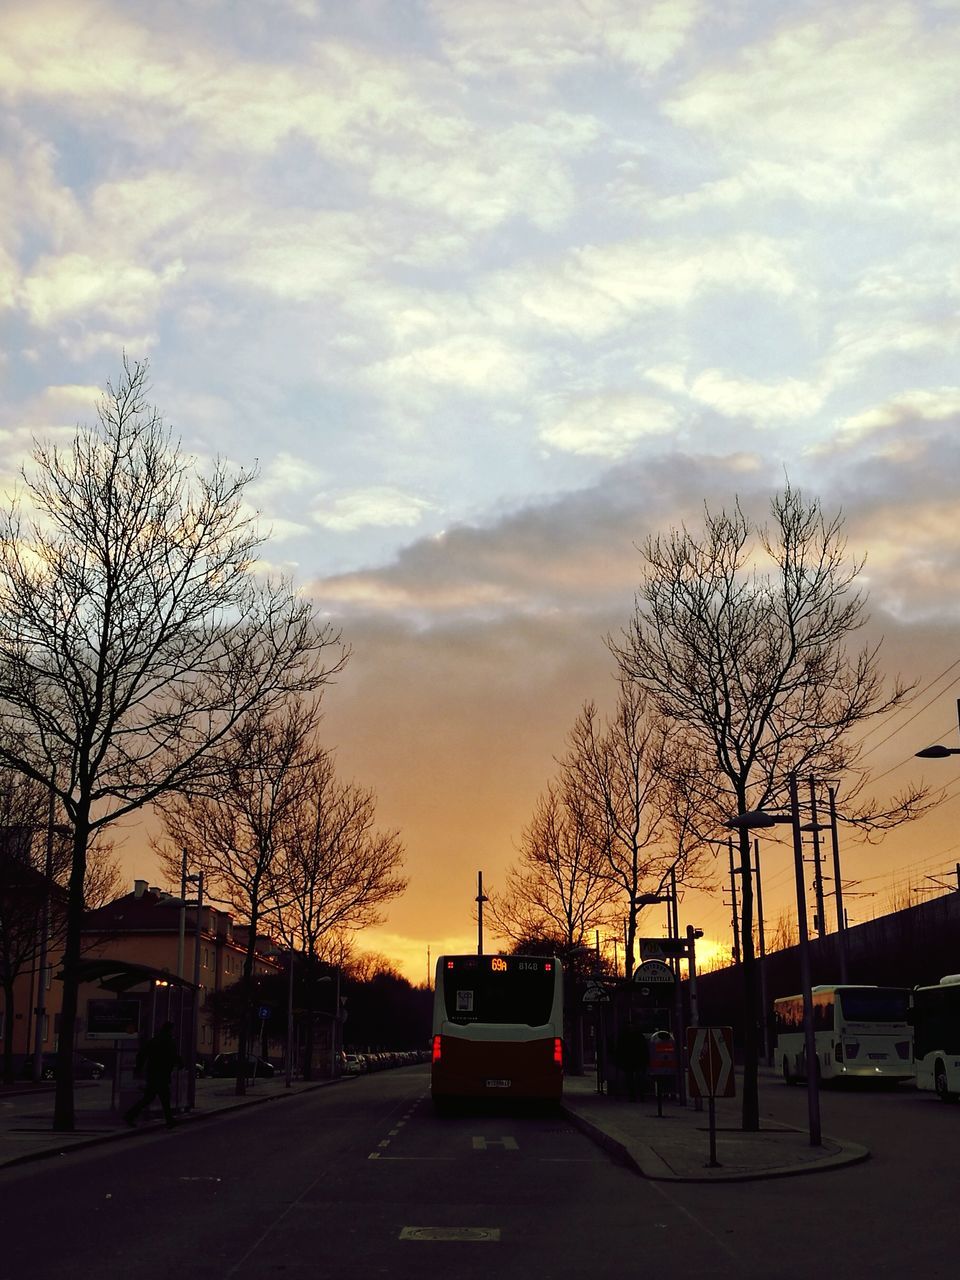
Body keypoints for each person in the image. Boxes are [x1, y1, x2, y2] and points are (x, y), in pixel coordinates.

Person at [124, 1022, 182, 1129]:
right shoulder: (169, 1041)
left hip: (153, 1073)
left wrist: (139, 1067)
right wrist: (180, 1063)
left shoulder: (154, 1040)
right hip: (162, 1073)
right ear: (170, 1030)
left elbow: (142, 1054)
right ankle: (130, 1116)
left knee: (152, 1097)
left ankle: (130, 1115)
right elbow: (173, 1056)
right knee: (161, 1097)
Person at [615, 1011, 650, 1102]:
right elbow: (644, 1049)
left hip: (632, 1060)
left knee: (633, 1078)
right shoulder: (638, 1036)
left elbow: (621, 1049)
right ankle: (638, 1095)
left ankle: (635, 1095)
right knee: (636, 1078)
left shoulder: (625, 1036)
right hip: (635, 1060)